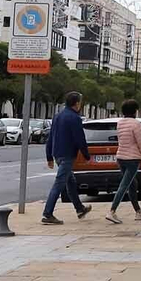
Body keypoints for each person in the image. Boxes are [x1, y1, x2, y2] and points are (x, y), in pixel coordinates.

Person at [42, 91, 91, 225]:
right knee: (59, 183)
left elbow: (51, 136)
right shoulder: (74, 118)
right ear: (77, 103)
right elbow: (79, 138)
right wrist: (86, 155)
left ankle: (79, 208)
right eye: (80, 102)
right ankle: (47, 213)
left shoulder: (58, 116)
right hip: (67, 155)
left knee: (71, 181)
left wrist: (49, 156)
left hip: (57, 154)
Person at [105, 99, 141, 224]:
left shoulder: (120, 123)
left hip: (121, 157)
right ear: (135, 111)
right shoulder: (136, 124)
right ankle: (112, 211)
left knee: (132, 184)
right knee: (124, 185)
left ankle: (138, 211)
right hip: (132, 158)